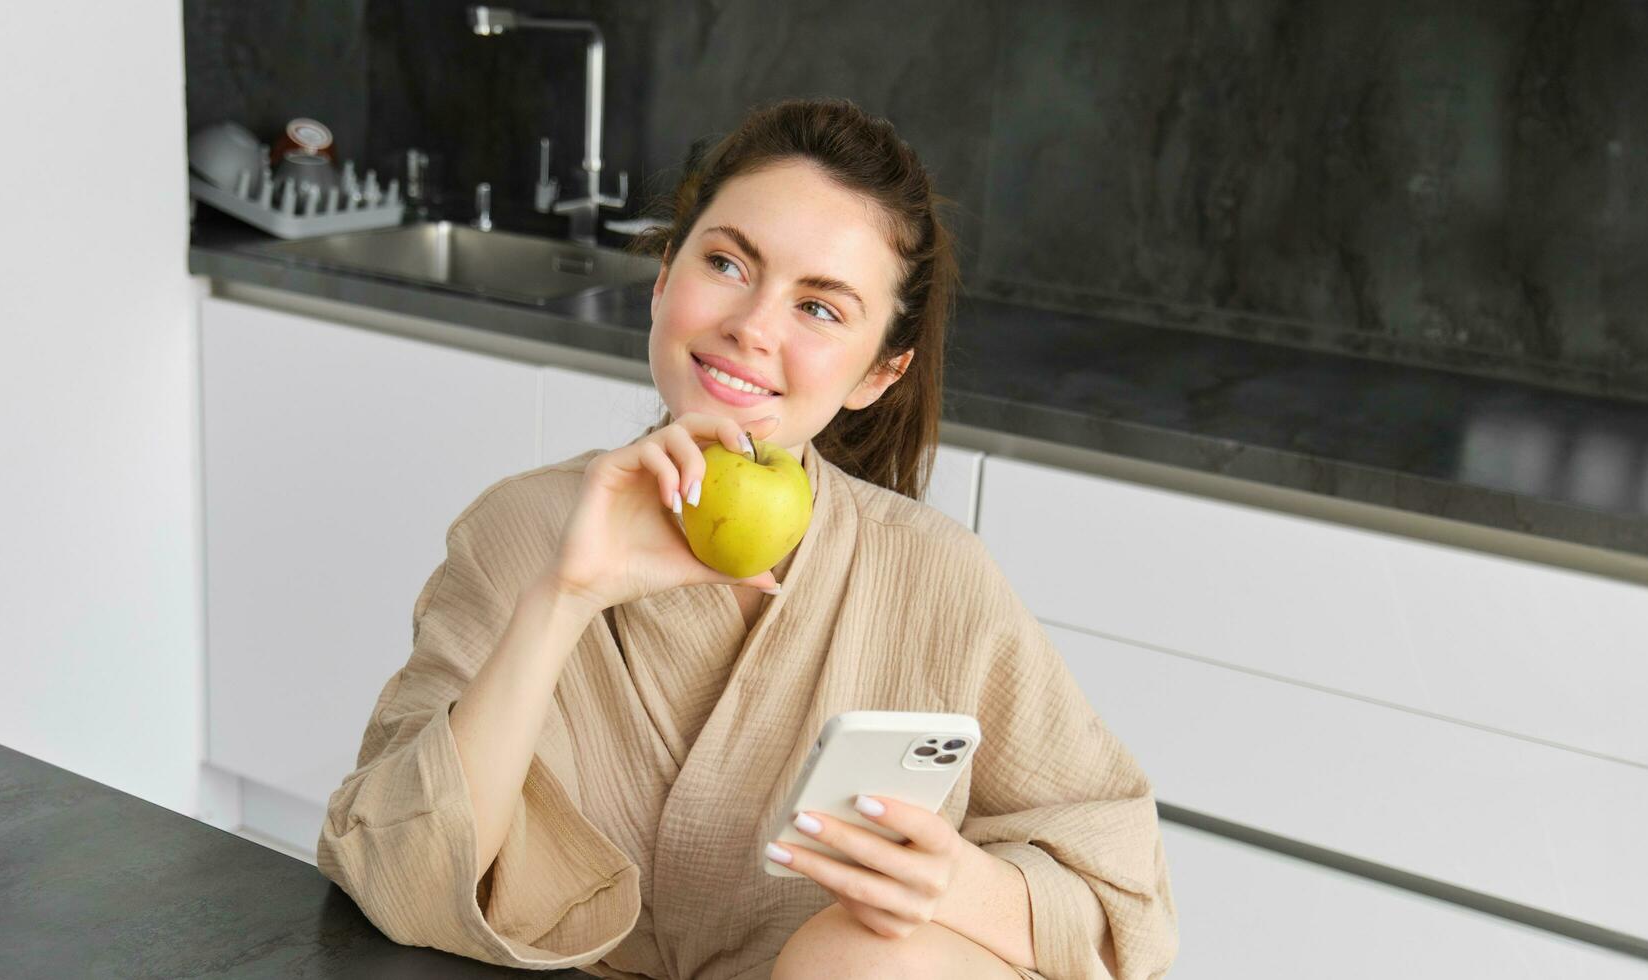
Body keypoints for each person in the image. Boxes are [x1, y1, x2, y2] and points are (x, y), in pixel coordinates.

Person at [317, 98, 1178, 979]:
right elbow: (395, 878)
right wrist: (564, 597)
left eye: (822, 309)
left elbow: (1123, 897)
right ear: (663, 279)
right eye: (727, 262)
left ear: (879, 373)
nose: (754, 326)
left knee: (860, 954)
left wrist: (952, 884)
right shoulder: (521, 532)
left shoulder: (933, 574)